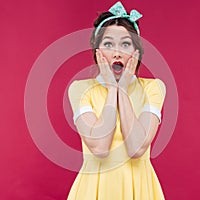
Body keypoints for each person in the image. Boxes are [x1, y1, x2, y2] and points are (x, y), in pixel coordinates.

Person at [67, 1, 166, 199]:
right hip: (94, 189)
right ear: (97, 51)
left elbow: (136, 148)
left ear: (136, 52)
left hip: (140, 189)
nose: (117, 52)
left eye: (126, 44)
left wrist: (123, 90)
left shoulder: (153, 88)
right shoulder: (80, 89)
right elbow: (100, 148)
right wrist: (113, 88)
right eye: (108, 44)